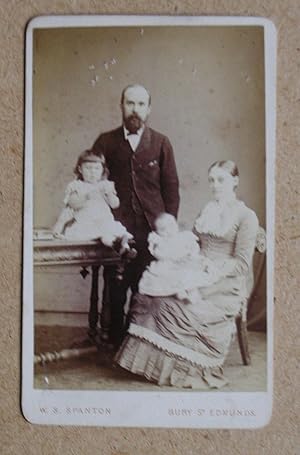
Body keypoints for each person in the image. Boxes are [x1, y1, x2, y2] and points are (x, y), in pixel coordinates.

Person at [115, 160, 259, 389]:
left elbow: (241, 264)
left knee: (173, 306)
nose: (215, 185)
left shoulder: (246, 217)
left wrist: (211, 272)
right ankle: (148, 365)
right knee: (152, 297)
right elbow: (191, 243)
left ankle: (177, 369)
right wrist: (177, 256)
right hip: (196, 270)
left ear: (235, 181)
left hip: (226, 283)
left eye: (221, 179)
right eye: (212, 180)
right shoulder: (208, 210)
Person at [92, 84, 180, 346]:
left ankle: (139, 343)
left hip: (152, 229)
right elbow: (93, 180)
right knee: (116, 285)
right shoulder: (105, 141)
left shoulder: (161, 142)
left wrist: (168, 227)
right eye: (130, 103)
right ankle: (114, 341)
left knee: (146, 284)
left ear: (149, 109)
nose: (135, 109)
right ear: (121, 106)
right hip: (117, 229)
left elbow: (171, 187)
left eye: (141, 104)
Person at [52, 149, 133, 252]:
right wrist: (86, 196)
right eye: (88, 168)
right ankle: (117, 246)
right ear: (80, 169)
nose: (92, 172)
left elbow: (115, 204)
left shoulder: (105, 185)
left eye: (97, 168)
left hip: (104, 221)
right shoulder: (76, 186)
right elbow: (73, 204)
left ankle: (124, 248)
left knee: (109, 232)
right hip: (86, 223)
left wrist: (109, 194)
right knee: (104, 236)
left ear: (102, 170)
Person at [138, 213, 221, 302]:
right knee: (171, 278)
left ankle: (193, 295)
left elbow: (193, 247)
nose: (168, 231)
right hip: (169, 265)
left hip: (184, 262)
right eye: (163, 229)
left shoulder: (183, 236)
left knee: (189, 276)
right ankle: (180, 294)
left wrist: (191, 255)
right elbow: (159, 254)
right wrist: (166, 251)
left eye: (172, 225)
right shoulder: (161, 242)